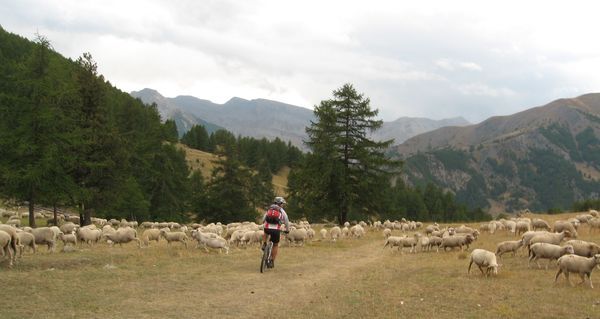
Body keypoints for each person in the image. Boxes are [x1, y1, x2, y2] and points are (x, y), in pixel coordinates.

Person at [261, 196, 290, 268]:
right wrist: (287, 229)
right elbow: (286, 222)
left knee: (266, 231)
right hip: (276, 230)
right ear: (280, 204)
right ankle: (271, 261)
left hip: (267, 228)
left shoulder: (270, 209)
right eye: (282, 204)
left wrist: (264, 222)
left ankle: (264, 243)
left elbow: (263, 219)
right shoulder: (282, 211)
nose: (283, 205)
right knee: (275, 245)